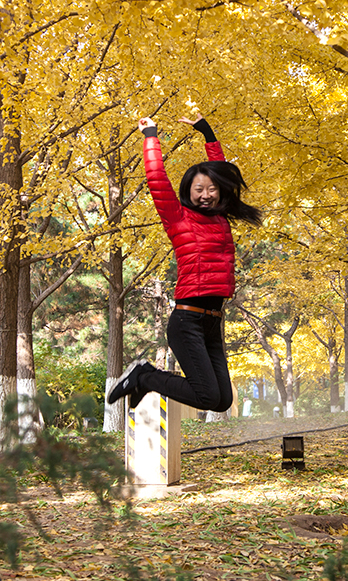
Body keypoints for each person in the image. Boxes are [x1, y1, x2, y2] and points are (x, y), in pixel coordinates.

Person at [107, 112, 262, 412]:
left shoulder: (221, 218)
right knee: (207, 397)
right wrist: (150, 136)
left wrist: (207, 133)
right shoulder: (177, 218)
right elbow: (156, 178)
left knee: (222, 401)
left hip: (213, 321)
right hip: (187, 320)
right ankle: (144, 376)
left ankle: (145, 379)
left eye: (212, 189)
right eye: (198, 189)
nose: (206, 195)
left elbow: (222, 172)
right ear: (188, 192)